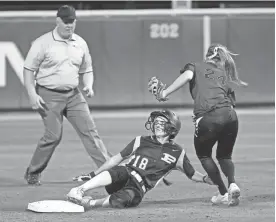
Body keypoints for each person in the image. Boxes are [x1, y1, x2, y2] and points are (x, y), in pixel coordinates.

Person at [148, 44, 248, 206]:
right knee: (224, 156)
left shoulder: (195, 66)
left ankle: (223, 193)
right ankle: (232, 183)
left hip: (209, 117)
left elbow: (187, 76)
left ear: (207, 56)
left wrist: (165, 93)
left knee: (204, 155)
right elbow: (231, 101)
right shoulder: (222, 73)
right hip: (231, 116)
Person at [23, 5, 111, 185]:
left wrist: (88, 85)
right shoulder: (43, 43)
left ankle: (110, 171)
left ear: (75, 21)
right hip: (48, 94)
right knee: (53, 136)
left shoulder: (80, 42)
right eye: (65, 22)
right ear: (58, 21)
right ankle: (33, 171)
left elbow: (87, 69)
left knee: (90, 132)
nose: (69, 25)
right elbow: (28, 70)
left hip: (73, 95)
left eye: (72, 22)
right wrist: (32, 94)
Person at [66, 109, 214, 209]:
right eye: (156, 122)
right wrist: (94, 173)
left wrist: (207, 178)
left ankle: (89, 203)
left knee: (125, 200)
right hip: (124, 176)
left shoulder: (177, 152)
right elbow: (116, 159)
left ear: (172, 128)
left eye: (162, 123)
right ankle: (79, 190)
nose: (157, 125)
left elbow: (191, 173)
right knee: (119, 170)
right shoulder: (140, 140)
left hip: (138, 187)